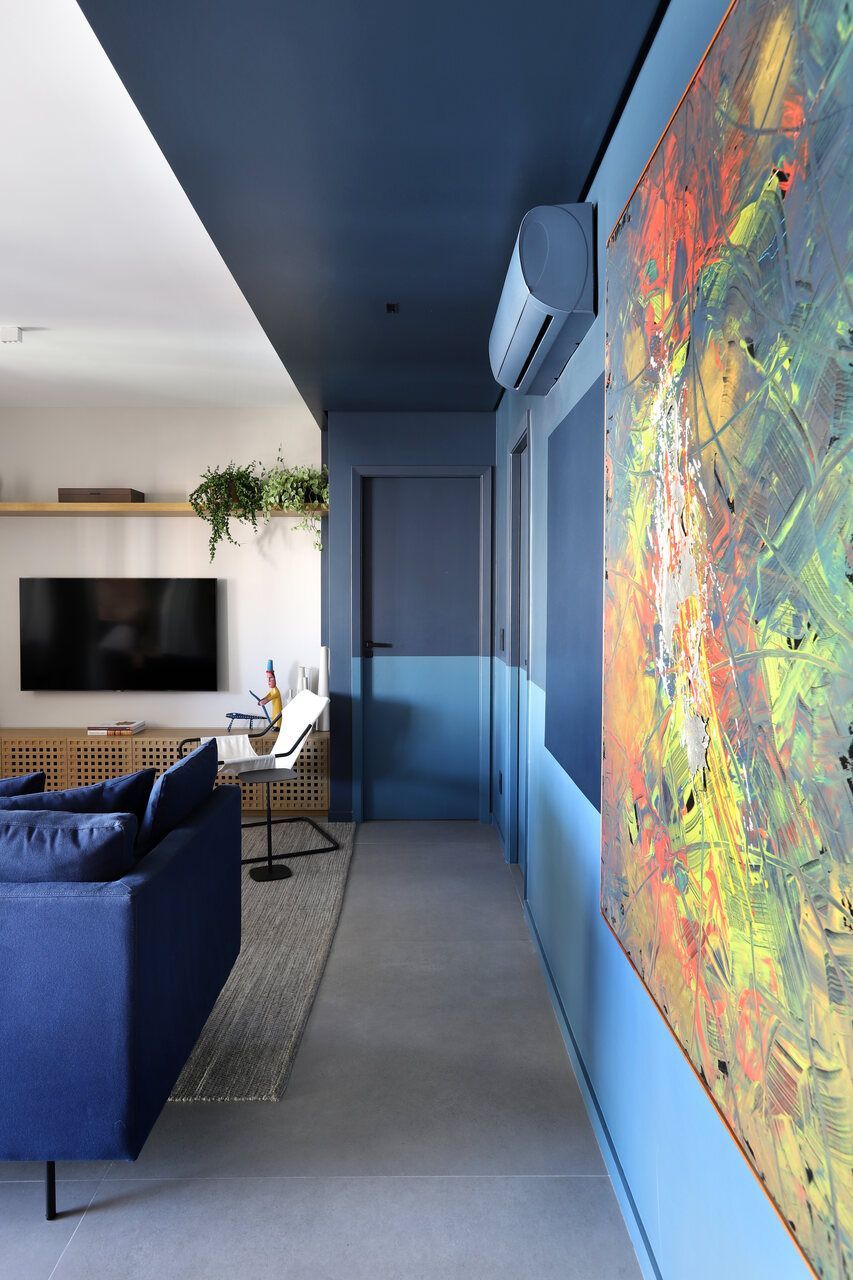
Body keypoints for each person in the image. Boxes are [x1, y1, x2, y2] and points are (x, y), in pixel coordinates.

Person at [257, 659, 283, 725]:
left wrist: (264, 701)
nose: (269, 681)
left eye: (271, 678)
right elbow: (269, 695)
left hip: (278, 710)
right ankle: (274, 726)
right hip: (274, 709)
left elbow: (271, 697)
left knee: (277, 719)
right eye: (267, 678)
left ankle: (278, 727)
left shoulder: (276, 691)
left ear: (275, 679)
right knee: (274, 718)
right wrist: (263, 699)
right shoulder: (272, 690)